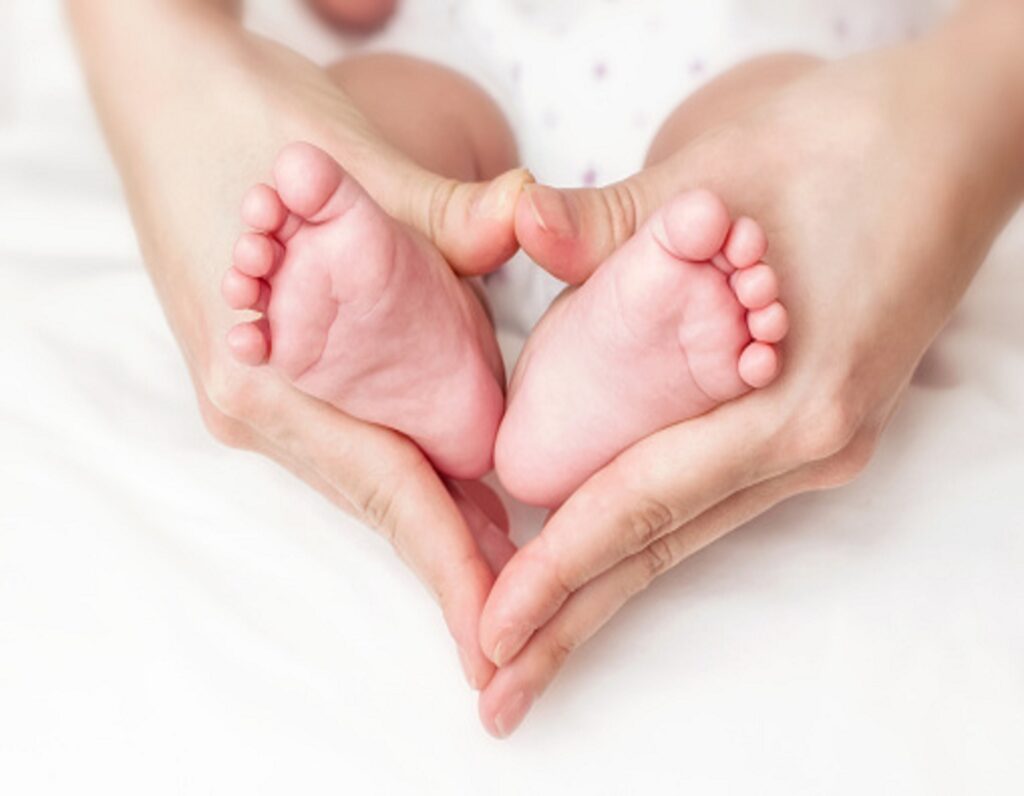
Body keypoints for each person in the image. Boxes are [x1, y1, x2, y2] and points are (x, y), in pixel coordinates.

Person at [69, 0, 1024, 738]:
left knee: (752, 130)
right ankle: (424, 313)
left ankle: (604, 359)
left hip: (778, 93)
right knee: (375, 112)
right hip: (464, 68)